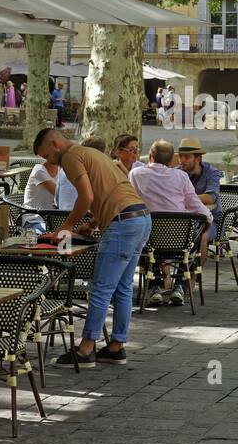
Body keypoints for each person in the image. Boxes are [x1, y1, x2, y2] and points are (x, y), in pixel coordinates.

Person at [34, 127, 151, 367]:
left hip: (123, 224)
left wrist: (65, 227)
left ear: (55, 144)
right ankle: (116, 346)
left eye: (45, 155)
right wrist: (92, 223)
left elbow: (86, 197)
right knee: (123, 288)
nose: (48, 161)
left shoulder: (70, 156)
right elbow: (109, 190)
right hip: (140, 218)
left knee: (100, 288)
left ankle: (86, 349)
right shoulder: (91, 153)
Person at [129, 140, 213, 306]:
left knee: (142, 233)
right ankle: (180, 286)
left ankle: (155, 286)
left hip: (149, 239)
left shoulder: (136, 174)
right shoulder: (181, 176)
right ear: (170, 161)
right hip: (178, 240)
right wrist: (207, 219)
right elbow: (194, 204)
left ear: (150, 156)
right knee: (195, 236)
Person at [177, 137, 221, 246]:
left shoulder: (211, 172)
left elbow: (211, 197)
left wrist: (186, 198)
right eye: (180, 156)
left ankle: (197, 263)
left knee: (199, 235)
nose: (182, 160)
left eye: (186, 157)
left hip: (208, 220)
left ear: (198, 159)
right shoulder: (177, 171)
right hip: (182, 220)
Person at [23, 155, 62, 231]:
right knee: (41, 238)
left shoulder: (61, 170)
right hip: (34, 218)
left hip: (52, 218)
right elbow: (60, 194)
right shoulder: (39, 171)